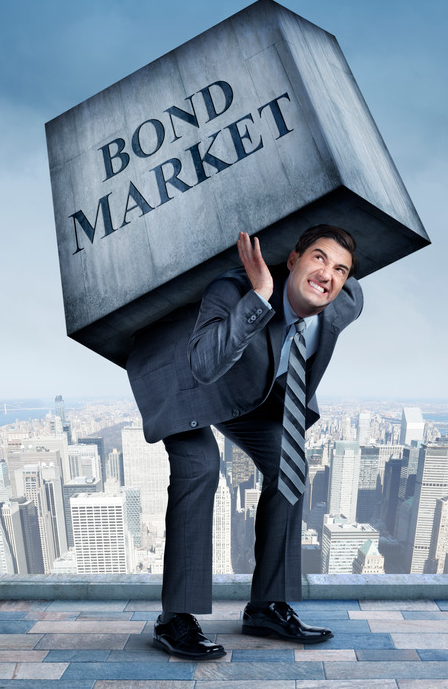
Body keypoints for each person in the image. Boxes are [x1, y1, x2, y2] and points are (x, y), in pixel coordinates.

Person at [127, 224, 363, 660]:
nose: (327, 274)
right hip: (185, 378)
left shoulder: (346, 302)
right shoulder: (232, 290)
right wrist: (258, 297)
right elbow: (203, 364)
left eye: (340, 269)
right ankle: (175, 619)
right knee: (199, 466)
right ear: (292, 260)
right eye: (318, 258)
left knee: (289, 467)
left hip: (250, 390)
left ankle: (267, 607)